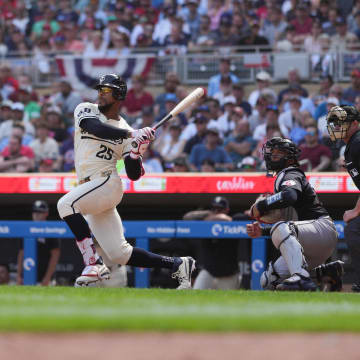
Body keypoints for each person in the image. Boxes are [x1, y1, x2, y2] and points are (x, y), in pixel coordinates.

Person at [56, 73, 195, 288]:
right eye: (99, 90)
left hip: (106, 183)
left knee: (65, 204)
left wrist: (136, 152)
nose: (100, 94)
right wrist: (132, 136)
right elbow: (96, 128)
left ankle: (93, 263)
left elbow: (134, 174)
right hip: (90, 189)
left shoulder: (127, 129)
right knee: (120, 253)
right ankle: (177, 264)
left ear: (118, 94)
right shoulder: (87, 109)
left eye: (106, 91)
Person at [246, 137, 341, 291]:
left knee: (279, 227)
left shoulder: (290, 173)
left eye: (277, 154)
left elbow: (290, 196)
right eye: (271, 153)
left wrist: (262, 205)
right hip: (308, 238)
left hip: (321, 228)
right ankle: (324, 272)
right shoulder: (282, 178)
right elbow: (290, 229)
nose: (271, 157)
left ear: (289, 158)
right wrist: (262, 231)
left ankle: (301, 277)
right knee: (268, 280)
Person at [326, 105, 360, 292]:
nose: (338, 127)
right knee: (354, 227)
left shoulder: (358, 143)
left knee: (354, 229)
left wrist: (355, 211)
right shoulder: (353, 143)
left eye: (342, 123)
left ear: (355, 123)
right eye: (335, 123)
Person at [183, 196, 240, 290]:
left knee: (229, 302)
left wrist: (215, 216)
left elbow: (228, 219)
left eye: (220, 209)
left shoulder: (233, 222)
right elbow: (187, 217)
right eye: (214, 209)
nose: (217, 211)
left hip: (229, 274)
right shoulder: (206, 220)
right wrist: (209, 213)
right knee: (195, 296)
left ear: (227, 210)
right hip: (209, 272)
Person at [17, 200, 61, 286]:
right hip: (27, 276)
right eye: (35, 212)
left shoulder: (51, 230)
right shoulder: (27, 229)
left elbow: (55, 256)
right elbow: (21, 254)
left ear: (46, 213)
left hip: (44, 278)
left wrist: (47, 278)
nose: (36, 214)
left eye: (40, 212)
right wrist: (19, 275)